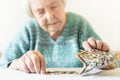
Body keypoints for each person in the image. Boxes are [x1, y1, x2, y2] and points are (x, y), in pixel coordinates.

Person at [0, 0, 116, 74]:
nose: (50, 16)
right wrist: (17, 64)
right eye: (40, 11)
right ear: (33, 14)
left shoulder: (80, 25)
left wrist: (105, 61)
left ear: (63, 2)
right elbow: (2, 65)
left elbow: (115, 65)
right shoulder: (28, 30)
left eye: (54, 6)